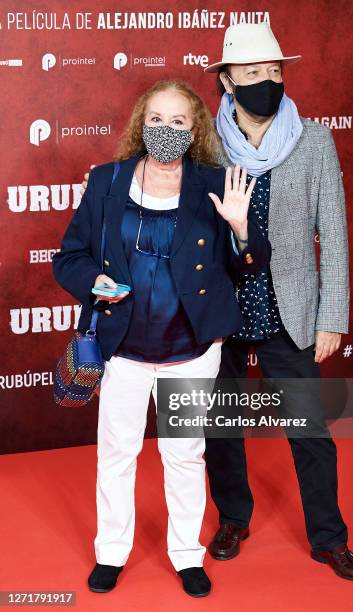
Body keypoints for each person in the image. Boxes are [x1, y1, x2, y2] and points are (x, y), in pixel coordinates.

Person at [80, 23, 353, 582]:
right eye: (254, 73)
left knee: (309, 426)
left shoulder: (314, 141)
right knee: (218, 428)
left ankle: (329, 538)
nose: (268, 82)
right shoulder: (202, 140)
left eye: (276, 72)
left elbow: (333, 233)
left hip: (289, 305)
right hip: (216, 310)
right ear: (227, 81)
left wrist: (333, 314)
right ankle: (233, 518)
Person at [52, 79, 270, 598]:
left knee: (184, 454)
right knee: (117, 453)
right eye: (155, 120)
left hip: (189, 350)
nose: (165, 130)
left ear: (193, 128)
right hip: (123, 347)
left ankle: (186, 554)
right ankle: (111, 551)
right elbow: (69, 257)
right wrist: (93, 283)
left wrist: (241, 228)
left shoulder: (217, 184)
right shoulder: (107, 181)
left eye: (177, 122)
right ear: (140, 124)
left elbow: (252, 263)